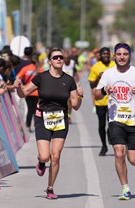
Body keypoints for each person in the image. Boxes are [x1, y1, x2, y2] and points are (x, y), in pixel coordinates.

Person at [16, 48, 84, 199]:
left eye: (61, 57)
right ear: (49, 61)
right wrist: (18, 87)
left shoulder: (69, 80)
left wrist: (79, 96)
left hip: (61, 120)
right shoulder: (41, 78)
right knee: (45, 156)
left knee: (56, 156)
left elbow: (75, 105)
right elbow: (24, 93)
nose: (59, 59)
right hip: (42, 119)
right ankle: (41, 162)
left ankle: (50, 188)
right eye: (55, 57)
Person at [94, 43, 135, 200]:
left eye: (125, 54)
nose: (121, 57)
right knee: (119, 153)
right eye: (119, 54)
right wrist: (104, 90)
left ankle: (128, 145)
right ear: (114, 56)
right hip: (116, 119)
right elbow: (96, 95)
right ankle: (125, 188)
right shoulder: (108, 74)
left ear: (129, 56)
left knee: (133, 160)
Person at [88, 47, 116, 156]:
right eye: (103, 53)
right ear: (100, 55)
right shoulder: (96, 67)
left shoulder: (114, 65)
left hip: (113, 100)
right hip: (100, 101)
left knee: (112, 123)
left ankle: (110, 133)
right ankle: (104, 146)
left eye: (107, 53)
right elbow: (91, 85)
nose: (106, 55)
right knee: (101, 124)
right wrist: (98, 77)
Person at [17, 56, 41, 133]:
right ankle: (37, 126)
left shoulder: (26, 68)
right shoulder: (40, 69)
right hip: (37, 92)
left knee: (30, 110)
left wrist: (22, 86)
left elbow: (18, 77)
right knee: (36, 110)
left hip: (28, 91)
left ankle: (28, 126)